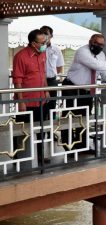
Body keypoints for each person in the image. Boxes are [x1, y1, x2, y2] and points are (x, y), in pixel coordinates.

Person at [61, 34, 106, 151]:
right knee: (69, 117)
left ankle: (83, 145)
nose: (99, 46)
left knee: (85, 117)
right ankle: (68, 146)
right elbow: (95, 64)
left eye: (102, 45)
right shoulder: (82, 52)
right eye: (97, 44)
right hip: (72, 87)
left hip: (87, 89)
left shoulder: (101, 55)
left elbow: (103, 70)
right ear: (91, 41)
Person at [12, 29, 50, 164]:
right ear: (33, 43)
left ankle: (39, 155)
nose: (45, 44)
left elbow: (43, 73)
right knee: (24, 130)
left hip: (41, 99)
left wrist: (46, 90)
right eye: (42, 42)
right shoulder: (21, 56)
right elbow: (17, 80)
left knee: (41, 128)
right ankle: (20, 156)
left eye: (46, 41)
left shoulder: (43, 53)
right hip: (27, 100)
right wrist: (21, 101)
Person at [40, 25, 64, 118]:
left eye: (46, 33)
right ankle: (40, 130)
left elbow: (59, 66)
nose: (44, 36)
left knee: (52, 105)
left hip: (52, 81)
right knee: (41, 105)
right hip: (39, 81)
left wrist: (56, 77)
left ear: (51, 36)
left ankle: (51, 129)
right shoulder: (38, 48)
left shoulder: (56, 50)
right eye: (41, 33)